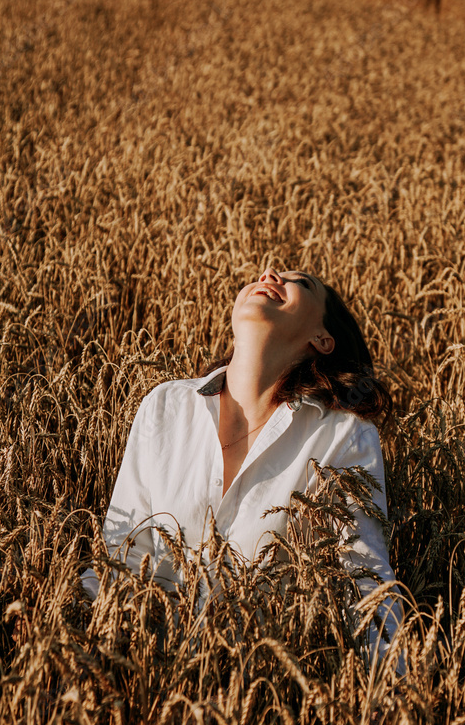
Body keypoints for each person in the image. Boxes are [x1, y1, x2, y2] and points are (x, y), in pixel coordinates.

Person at [81, 266, 404, 668]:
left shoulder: (341, 435)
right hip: (147, 676)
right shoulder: (166, 407)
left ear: (322, 339)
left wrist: (390, 698)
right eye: (270, 272)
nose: (270, 274)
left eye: (300, 282)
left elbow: (364, 580)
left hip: (263, 690)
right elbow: (122, 553)